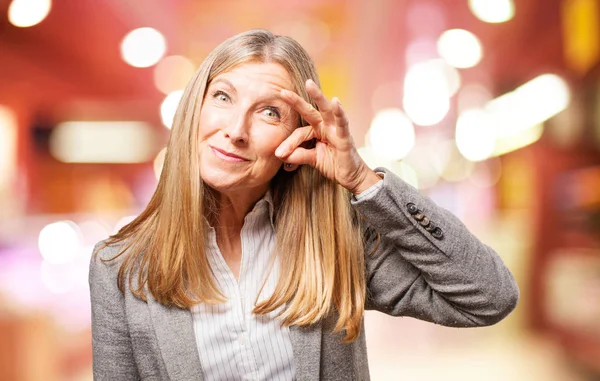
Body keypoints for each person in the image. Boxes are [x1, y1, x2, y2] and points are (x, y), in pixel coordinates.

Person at [89, 29, 519, 381]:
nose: (236, 130)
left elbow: (489, 296)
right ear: (194, 110)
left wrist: (364, 181)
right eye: (223, 97)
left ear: (301, 136)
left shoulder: (334, 246)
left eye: (270, 113)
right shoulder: (119, 268)